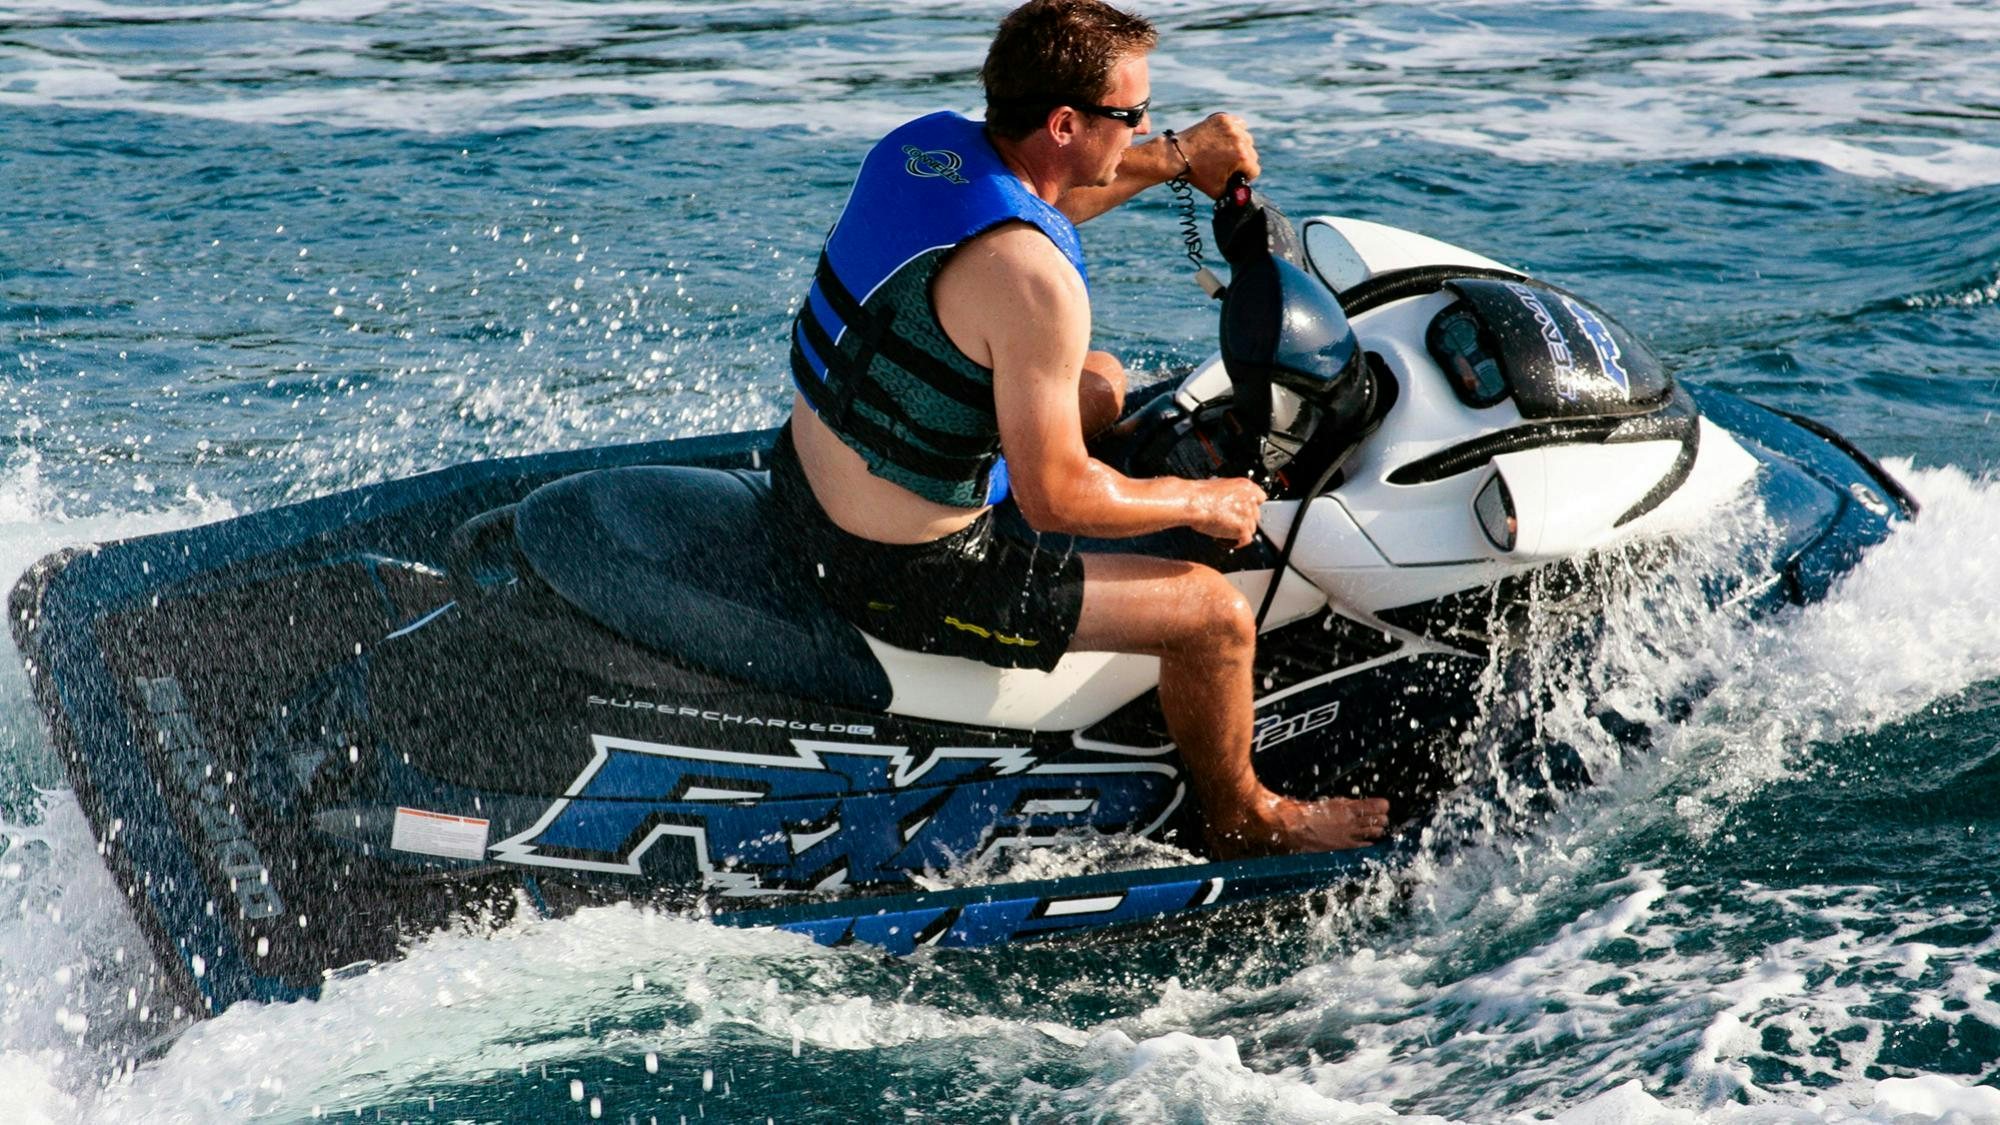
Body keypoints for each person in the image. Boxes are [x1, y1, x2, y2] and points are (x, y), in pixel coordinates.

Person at [770, 0, 1388, 856]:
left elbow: (1039, 199)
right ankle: (1244, 809)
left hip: (802, 478)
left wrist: (1177, 159)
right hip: (910, 573)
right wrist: (1201, 500)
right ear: (1065, 122)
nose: (1141, 126)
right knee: (1213, 616)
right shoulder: (1034, 283)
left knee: (1099, 379)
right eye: (1131, 116)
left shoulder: (923, 147)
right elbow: (1054, 497)